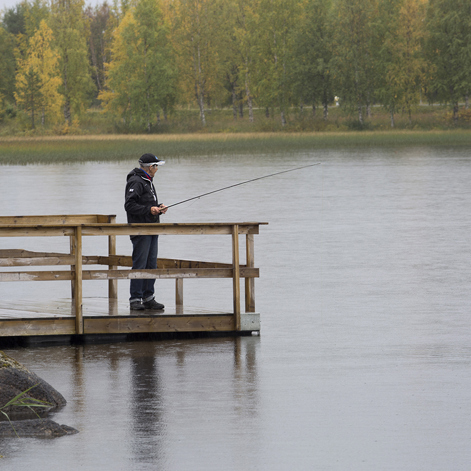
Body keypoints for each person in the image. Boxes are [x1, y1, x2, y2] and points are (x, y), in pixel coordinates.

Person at [124, 153, 168, 311]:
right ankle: (135, 299)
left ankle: (148, 297)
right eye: (156, 166)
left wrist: (158, 207)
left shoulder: (148, 181)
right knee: (140, 264)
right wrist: (149, 210)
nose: (157, 169)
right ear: (150, 167)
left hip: (152, 228)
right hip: (140, 230)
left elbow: (147, 203)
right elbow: (129, 205)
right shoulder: (136, 181)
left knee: (151, 264)